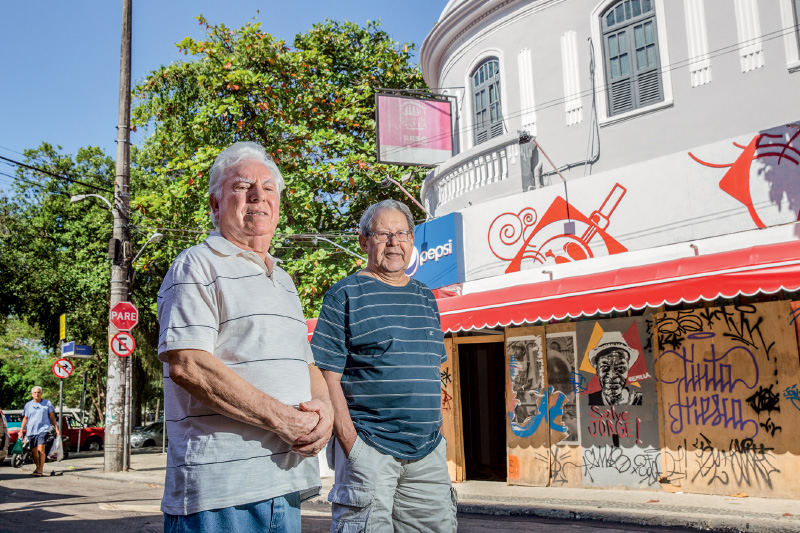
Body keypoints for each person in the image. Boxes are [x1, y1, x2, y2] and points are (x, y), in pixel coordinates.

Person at [157, 141, 332, 532]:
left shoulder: (283, 280)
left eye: (269, 187)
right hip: (219, 499)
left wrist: (326, 412)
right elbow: (190, 366)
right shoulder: (195, 264)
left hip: (285, 485)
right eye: (242, 186)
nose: (258, 196)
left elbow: (306, 363)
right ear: (215, 205)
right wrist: (283, 420)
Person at [312, 199, 458, 532]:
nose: (394, 243)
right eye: (383, 234)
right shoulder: (344, 295)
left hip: (428, 455)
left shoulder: (425, 295)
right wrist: (352, 446)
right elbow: (326, 378)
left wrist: (439, 436)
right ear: (364, 241)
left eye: (402, 233)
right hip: (370, 451)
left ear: (412, 240)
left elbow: (432, 372)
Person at [587, 331, 643, 406]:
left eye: (620, 368)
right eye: (604, 367)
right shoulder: (589, 401)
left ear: (627, 369)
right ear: (597, 370)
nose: (612, 375)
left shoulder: (639, 400)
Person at [20, 386, 59, 477]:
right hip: (31, 430)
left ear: (41, 394)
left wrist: (56, 429)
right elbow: (25, 418)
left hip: (43, 429)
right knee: (33, 451)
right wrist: (21, 431)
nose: (37, 394)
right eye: (35, 393)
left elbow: (52, 417)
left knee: (40, 449)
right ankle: (37, 467)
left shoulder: (47, 403)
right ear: (32, 394)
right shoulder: (28, 405)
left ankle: (40, 470)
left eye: (38, 392)